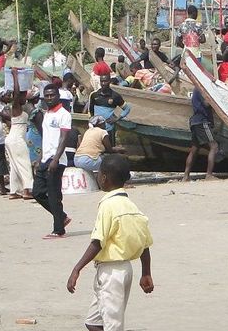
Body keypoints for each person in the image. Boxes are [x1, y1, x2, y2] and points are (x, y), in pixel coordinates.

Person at [66, 154, 154, 331]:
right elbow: (144, 244)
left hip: (111, 272)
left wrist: (77, 268)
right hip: (125, 270)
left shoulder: (108, 205)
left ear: (104, 178)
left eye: (98, 174)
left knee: (112, 325)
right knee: (93, 322)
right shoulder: (132, 206)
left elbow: (97, 242)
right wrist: (146, 273)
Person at [33, 84, 72, 239]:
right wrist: (40, 158)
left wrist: (56, 159)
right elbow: (47, 138)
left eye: (52, 95)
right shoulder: (47, 114)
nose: (49, 98)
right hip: (45, 158)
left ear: (58, 96)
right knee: (37, 192)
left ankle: (58, 229)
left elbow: (63, 138)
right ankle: (61, 217)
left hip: (56, 160)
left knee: (54, 195)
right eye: (47, 95)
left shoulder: (64, 114)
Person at [3, 80, 34, 200]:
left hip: (13, 139)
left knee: (15, 166)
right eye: (24, 96)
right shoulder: (16, 107)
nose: (25, 98)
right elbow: (16, 94)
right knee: (25, 164)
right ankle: (27, 190)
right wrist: (15, 76)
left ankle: (14, 190)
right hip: (16, 139)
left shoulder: (19, 108)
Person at [182, 91, 218, 181]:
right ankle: (209, 175)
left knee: (194, 149)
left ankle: (186, 176)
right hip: (202, 121)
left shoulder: (197, 89)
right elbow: (206, 103)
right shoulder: (201, 89)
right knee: (214, 146)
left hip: (195, 122)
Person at [88, 74, 132, 146]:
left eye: (105, 81)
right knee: (96, 148)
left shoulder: (115, 96)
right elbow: (90, 111)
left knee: (110, 149)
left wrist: (117, 119)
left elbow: (127, 109)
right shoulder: (94, 95)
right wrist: (91, 124)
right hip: (96, 130)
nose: (103, 83)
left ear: (109, 81)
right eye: (101, 81)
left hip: (109, 129)